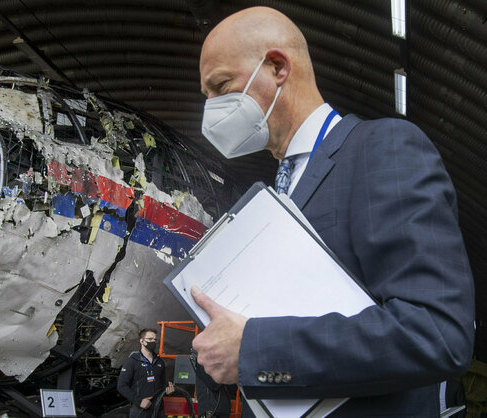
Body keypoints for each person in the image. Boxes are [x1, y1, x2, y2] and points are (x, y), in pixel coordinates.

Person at [190, 6, 474, 417]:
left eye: (221, 86)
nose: (211, 110)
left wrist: (255, 349)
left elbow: (436, 333)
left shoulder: (382, 149)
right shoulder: (278, 192)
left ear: (277, 67)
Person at [117, 328, 175, 417]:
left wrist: (168, 390)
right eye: (150, 339)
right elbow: (121, 386)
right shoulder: (132, 361)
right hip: (140, 410)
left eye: (155, 340)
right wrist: (139, 401)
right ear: (142, 341)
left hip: (158, 408)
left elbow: (162, 384)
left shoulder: (159, 362)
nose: (153, 342)